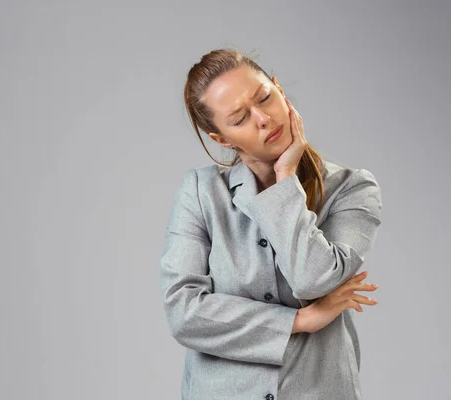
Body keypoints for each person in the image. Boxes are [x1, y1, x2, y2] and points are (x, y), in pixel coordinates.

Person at [158, 48, 383, 400]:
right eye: (239, 118)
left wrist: (285, 176)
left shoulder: (352, 188)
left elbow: (313, 279)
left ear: (280, 90)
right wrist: (300, 321)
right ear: (221, 139)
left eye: (265, 97)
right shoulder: (201, 193)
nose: (263, 118)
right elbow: (184, 313)